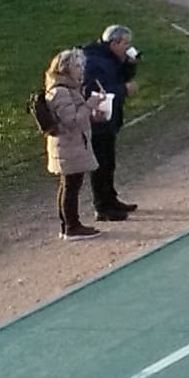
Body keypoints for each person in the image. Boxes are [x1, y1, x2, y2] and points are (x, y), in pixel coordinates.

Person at [35, 48, 102, 237]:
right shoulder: (61, 92)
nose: (81, 70)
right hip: (69, 146)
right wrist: (90, 104)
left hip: (71, 146)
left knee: (69, 185)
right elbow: (71, 121)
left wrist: (93, 112)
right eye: (77, 66)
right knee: (70, 186)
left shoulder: (67, 89)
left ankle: (69, 225)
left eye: (82, 66)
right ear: (65, 69)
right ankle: (72, 226)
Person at [83, 20, 143, 220]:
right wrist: (124, 90)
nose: (128, 48)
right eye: (125, 44)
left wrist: (129, 65)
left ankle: (111, 199)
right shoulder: (94, 63)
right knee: (101, 164)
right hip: (97, 121)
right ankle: (102, 207)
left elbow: (118, 78)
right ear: (114, 43)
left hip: (109, 119)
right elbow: (97, 92)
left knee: (109, 162)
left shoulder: (109, 59)